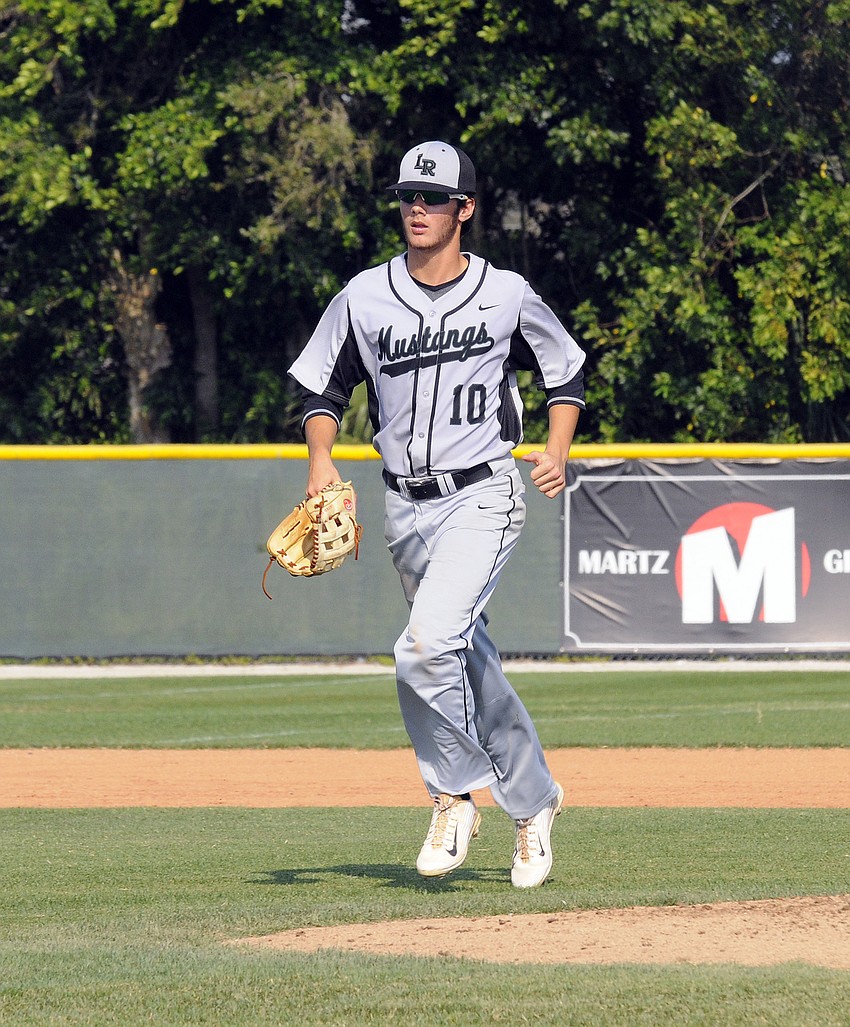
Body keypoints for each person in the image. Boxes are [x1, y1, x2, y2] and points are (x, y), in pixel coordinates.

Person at [288, 140, 586, 888]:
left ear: (465, 210)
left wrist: (557, 444)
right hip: (402, 506)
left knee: (423, 647)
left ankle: (453, 794)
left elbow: (566, 367)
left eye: (431, 197)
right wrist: (322, 457)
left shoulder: (505, 293)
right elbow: (323, 388)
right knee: (462, 656)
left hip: (483, 492)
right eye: (406, 197)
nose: (416, 208)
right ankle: (535, 800)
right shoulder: (364, 295)